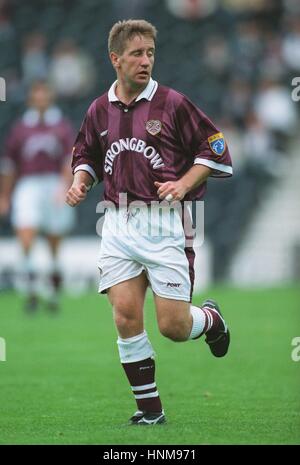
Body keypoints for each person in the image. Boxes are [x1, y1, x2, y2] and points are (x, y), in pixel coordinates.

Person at [66, 19, 233, 425]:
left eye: (150, 53)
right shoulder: (98, 109)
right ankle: (149, 411)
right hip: (118, 220)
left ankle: (210, 319)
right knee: (124, 316)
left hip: (166, 223)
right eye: (137, 54)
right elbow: (86, 154)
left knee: (173, 327)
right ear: (115, 59)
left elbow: (216, 149)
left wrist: (183, 183)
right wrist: (80, 181)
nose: (145, 61)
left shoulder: (173, 103)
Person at [0, 80, 75, 312]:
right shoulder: (21, 128)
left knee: (53, 239)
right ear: (32, 98)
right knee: (26, 232)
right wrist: (4, 195)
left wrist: (65, 186)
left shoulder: (61, 126)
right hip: (28, 184)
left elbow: (69, 159)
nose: (41, 99)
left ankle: (52, 292)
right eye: (37, 95)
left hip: (53, 183)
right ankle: (32, 290)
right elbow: (9, 165)